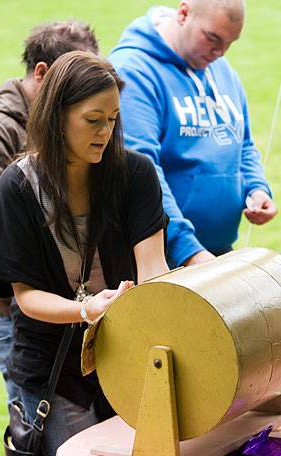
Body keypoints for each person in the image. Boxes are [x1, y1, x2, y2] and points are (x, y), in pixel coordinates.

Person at [0, 51, 169, 456]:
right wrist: (87, 310)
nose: (107, 131)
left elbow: (154, 267)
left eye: (114, 119)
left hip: (131, 361)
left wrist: (152, 307)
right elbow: (26, 298)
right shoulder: (19, 186)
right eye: (93, 119)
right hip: (54, 370)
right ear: (57, 115)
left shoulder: (135, 173)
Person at [0, 19, 99, 405]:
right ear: (43, 73)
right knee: (36, 443)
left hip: (66, 312)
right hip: (18, 322)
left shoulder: (53, 124)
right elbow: (0, 245)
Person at [109, 0, 277, 268]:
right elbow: (142, 173)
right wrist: (188, 251)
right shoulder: (134, 71)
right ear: (184, 13)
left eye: (230, 43)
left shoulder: (220, 68)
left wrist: (256, 188)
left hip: (215, 254)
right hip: (166, 261)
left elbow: (241, 141)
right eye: (213, 38)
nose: (221, 52)